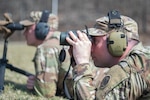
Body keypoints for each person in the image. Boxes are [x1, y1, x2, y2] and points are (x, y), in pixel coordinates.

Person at [66, 10, 150, 100]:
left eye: (95, 41)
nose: (91, 48)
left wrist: (81, 63)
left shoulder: (131, 68)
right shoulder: (143, 59)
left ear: (116, 42)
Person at [20, 10, 74, 98]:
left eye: (28, 28)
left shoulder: (46, 48)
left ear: (41, 28)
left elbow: (46, 92)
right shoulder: (60, 41)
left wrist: (36, 85)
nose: (24, 33)